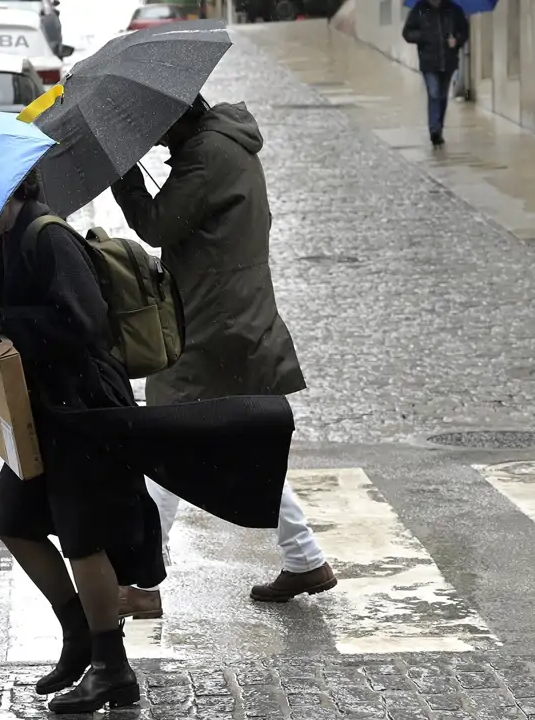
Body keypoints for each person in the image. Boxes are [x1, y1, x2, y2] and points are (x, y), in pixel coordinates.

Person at [109, 95, 336, 617]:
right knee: (245, 447)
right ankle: (304, 559)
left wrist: (125, 175)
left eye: (158, 129)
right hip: (232, 318)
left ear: (177, 117)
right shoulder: (221, 145)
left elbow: (157, 226)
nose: (158, 140)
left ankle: (141, 582)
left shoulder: (208, 154)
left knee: (166, 441)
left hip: (214, 327)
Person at [0, 168, 166, 714]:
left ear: (10, 190)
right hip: (42, 411)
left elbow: (84, 325)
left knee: (83, 538)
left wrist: (6, 314)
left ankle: (112, 670)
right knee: (14, 523)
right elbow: (36, 308)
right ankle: (80, 634)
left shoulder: (49, 234)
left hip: (83, 409)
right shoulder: (8, 236)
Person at [402, 0, 469, 146]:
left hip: (448, 61)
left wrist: (456, 41)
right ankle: (434, 130)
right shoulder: (420, 9)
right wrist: (424, 37)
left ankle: (439, 128)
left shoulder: (454, 10)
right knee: (434, 93)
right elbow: (407, 33)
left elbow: (464, 32)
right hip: (428, 62)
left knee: (442, 96)